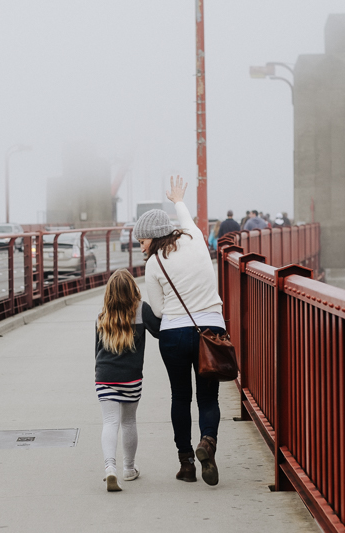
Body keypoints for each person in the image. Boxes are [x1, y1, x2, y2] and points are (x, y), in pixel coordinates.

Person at [133, 175, 226, 486]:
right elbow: (185, 218)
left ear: (153, 237)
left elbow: (159, 312)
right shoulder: (197, 238)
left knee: (180, 397)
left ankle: (186, 464)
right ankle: (207, 442)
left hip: (174, 335)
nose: (141, 247)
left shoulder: (154, 263)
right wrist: (178, 200)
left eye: (142, 241)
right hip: (211, 330)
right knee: (208, 397)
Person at [95, 269, 161, 492]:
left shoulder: (103, 314)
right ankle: (129, 469)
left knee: (110, 422)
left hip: (105, 377)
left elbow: (97, 350)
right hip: (131, 379)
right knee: (129, 421)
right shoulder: (142, 309)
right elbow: (159, 331)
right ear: (133, 288)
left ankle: (110, 468)